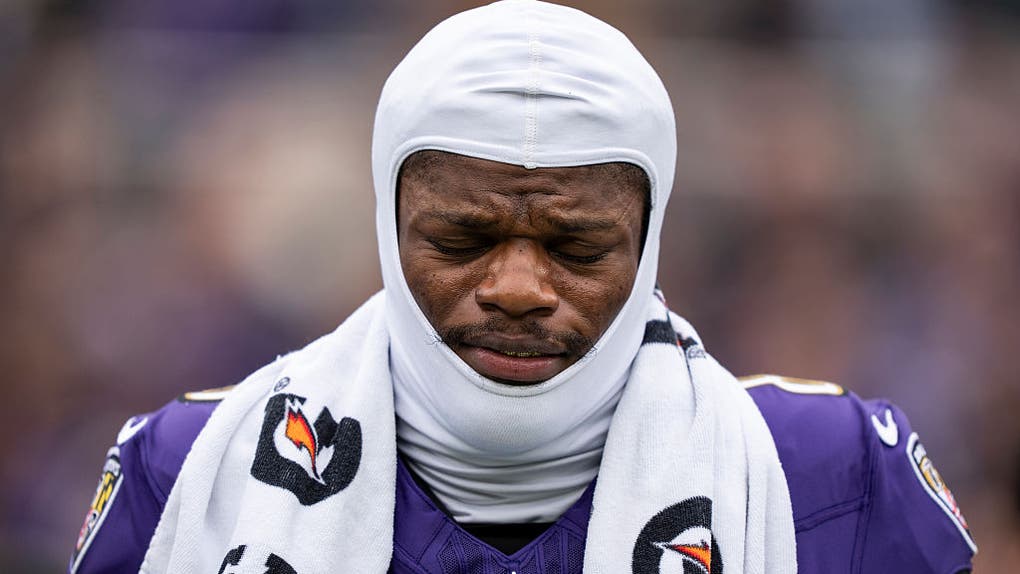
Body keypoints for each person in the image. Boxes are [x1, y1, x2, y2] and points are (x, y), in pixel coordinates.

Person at [68, 2, 976, 573]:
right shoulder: (191, 472)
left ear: (650, 241)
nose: (515, 288)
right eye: (462, 238)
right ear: (387, 224)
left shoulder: (835, 477)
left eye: (577, 247)